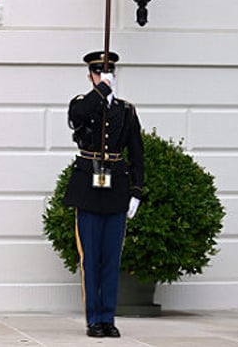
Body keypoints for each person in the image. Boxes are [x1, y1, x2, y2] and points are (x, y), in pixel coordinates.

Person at [62, 51, 143, 339]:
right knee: (90, 258)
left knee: (111, 257)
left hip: (116, 188)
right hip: (87, 189)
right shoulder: (82, 104)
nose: (104, 76)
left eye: (108, 73)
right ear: (90, 76)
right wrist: (102, 90)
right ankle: (93, 319)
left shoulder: (126, 110)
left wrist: (136, 191)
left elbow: (137, 153)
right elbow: (77, 118)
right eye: (98, 73)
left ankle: (108, 318)